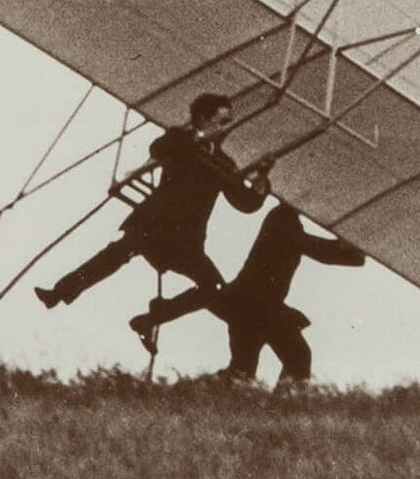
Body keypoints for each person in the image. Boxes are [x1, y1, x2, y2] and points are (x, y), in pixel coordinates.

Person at [34, 94, 265, 316]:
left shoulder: (223, 163)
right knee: (116, 254)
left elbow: (245, 203)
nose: (227, 127)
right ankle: (59, 292)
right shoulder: (181, 139)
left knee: (214, 288)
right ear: (204, 119)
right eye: (223, 121)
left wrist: (261, 182)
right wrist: (193, 137)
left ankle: (156, 316)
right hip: (155, 223)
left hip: (186, 238)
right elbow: (158, 149)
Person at [178, 198, 368, 389]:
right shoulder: (282, 220)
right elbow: (318, 250)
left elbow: (321, 250)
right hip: (255, 305)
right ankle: (281, 404)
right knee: (290, 359)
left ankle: (198, 390)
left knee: (248, 370)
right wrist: (349, 248)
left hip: (258, 305)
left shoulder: (286, 220)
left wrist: (353, 252)